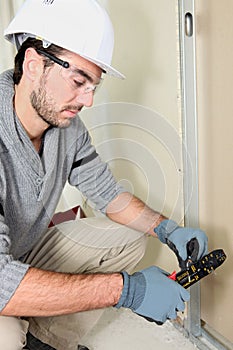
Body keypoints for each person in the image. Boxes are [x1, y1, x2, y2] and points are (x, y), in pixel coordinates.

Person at [0, 1, 208, 350]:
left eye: (93, 85)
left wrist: (167, 229)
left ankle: (45, 342)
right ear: (34, 65)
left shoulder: (66, 127)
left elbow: (108, 194)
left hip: (17, 253)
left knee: (126, 238)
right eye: (80, 81)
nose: (89, 100)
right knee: (4, 337)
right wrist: (125, 290)